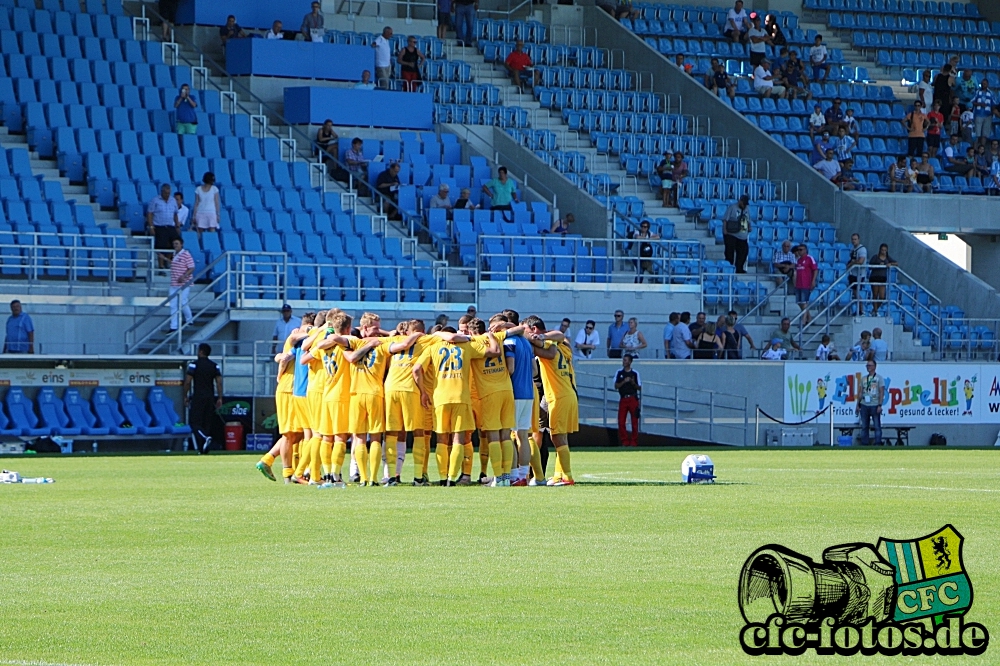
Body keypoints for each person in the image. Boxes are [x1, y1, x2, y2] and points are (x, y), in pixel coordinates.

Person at [524, 316, 577, 485]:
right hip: (568, 393)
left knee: (557, 437)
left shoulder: (549, 344)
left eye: (524, 328)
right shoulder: (563, 346)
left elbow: (546, 348)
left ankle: (567, 476)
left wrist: (528, 340)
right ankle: (558, 475)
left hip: (559, 394)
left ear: (533, 329)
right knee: (560, 437)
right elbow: (560, 336)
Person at [184, 343, 223, 455]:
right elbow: (219, 382)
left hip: (198, 397)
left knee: (194, 423)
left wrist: (185, 395)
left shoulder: (193, 365)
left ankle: (205, 438)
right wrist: (220, 397)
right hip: (210, 398)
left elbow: (187, 381)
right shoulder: (214, 366)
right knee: (206, 423)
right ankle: (203, 449)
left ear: (201, 352)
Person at [147, 184, 179, 269]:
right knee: (161, 246)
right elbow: (150, 213)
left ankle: (168, 261)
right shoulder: (155, 200)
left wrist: (177, 225)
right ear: (162, 192)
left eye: (168, 193)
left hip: (170, 226)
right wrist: (151, 226)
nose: (167, 195)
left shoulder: (173, 200)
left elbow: (175, 214)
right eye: (165, 193)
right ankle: (161, 265)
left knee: (174, 243)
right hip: (159, 226)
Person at [167, 237, 194, 333]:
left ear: (181, 244)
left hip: (184, 283)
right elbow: (175, 264)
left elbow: (191, 267)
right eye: (174, 244)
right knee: (173, 304)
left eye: (177, 243)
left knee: (182, 302)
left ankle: (189, 319)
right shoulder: (174, 255)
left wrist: (184, 276)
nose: (175, 246)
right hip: (174, 282)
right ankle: (174, 326)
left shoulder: (186, 254)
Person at [614, 354, 641, 447]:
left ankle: (634, 442)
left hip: (633, 398)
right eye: (623, 360)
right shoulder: (619, 372)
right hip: (623, 398)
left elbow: (639, 387)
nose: (623, 362)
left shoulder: (635, 373)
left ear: (630, 362)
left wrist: (633, 382)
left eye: (625, 360)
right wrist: (624, 381)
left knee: (634, 422)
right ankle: (624, 441)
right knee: (621, 421)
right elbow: (616, 386)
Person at [856, 360, 884, 446]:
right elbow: (860, 392)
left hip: (875, 404)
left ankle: (878, 442)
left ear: (874, 367)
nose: (868, 367)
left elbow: (881, 392)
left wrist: (880, 405)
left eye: (870, 365)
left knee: (876, 425)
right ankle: (865, 443)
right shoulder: (864, 378)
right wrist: (858, 404)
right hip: (864, 404)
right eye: (867, 365)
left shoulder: (879, 378)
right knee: (864, 426)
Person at [721, 194, 751, 273]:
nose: (744, 205)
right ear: (740, 201)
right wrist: (725, 230)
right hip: (732, 234)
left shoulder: (747, 209)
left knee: (743, 253)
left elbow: (748, 220)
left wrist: (749, 227)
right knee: (729, 252)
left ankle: (739, 268)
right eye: (743, 203)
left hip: (743, 235)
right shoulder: (732, 207)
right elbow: (725, 220)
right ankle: (729, 268)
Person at [868, 243, 896, 317]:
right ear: (880, 250)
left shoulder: (887, 258)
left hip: (882, 278)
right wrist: (878, 265)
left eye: (885, 250)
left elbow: (896, 263)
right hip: (875, 277)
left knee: (882, 296)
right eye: (882, 250)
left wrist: (891, 264)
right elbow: (870, 266)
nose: (883, 252)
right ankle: (876, 311)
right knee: (875, 294)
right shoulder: (875, 257)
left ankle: (874, 310)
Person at [793, 244, 817, 326]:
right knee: (800, 302)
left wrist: (813, 281)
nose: (799, 251)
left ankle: (803, 320)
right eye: (798, 250)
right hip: (798, 284)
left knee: (804, 302)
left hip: (806, 284)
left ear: (805, 250)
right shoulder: (798, 260)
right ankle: (809, 318)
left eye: (801, 249)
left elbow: (815, 270)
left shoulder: (810, 258)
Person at [971, 79, 998, 149]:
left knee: (985, 134)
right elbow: (972, 101)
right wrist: (979, 104)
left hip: (988, 116)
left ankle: (982, 149)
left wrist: (992, 112)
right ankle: (975, 149)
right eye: (982, 83)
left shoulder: (991, 93)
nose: (983, 85)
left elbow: (994, 104)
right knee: (977, 134)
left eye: (985, 84)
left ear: (988, 84)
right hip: (978, 115)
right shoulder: (977, 92)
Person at [192, 172, 220, 237]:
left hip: (211, 212)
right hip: (200, 212)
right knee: (200, 233)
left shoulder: (214, 189)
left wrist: (217, 214)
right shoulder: (198, 189)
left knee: (212, 232)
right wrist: (194, 215)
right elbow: (196, 203)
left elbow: (216, 202)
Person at [846, 233, 867, 314]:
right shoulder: (852, 249)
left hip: (860, 274)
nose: (853, 241)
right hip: (853, 273)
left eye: (855, 239)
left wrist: (852, 264)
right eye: (852, 239)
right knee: (854, 292)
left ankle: (861, 310)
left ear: (859, 239)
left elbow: (861, 261)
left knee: (856, 292)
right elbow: (852, 260)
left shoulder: (862, 249)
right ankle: (859, 309)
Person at [633, 219, 660, 283]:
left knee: (642, 271)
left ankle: (638, 284)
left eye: (645, 227)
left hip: (644, 255)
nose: (643, 228)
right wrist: (647, 239)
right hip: (635, 255)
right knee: (640, 270)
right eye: (642, 226)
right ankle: (636, 285)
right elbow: (637, 237)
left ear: (648, 228)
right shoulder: (637, 232)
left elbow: (658, 237)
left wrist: (649, 238)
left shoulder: (649, 233)